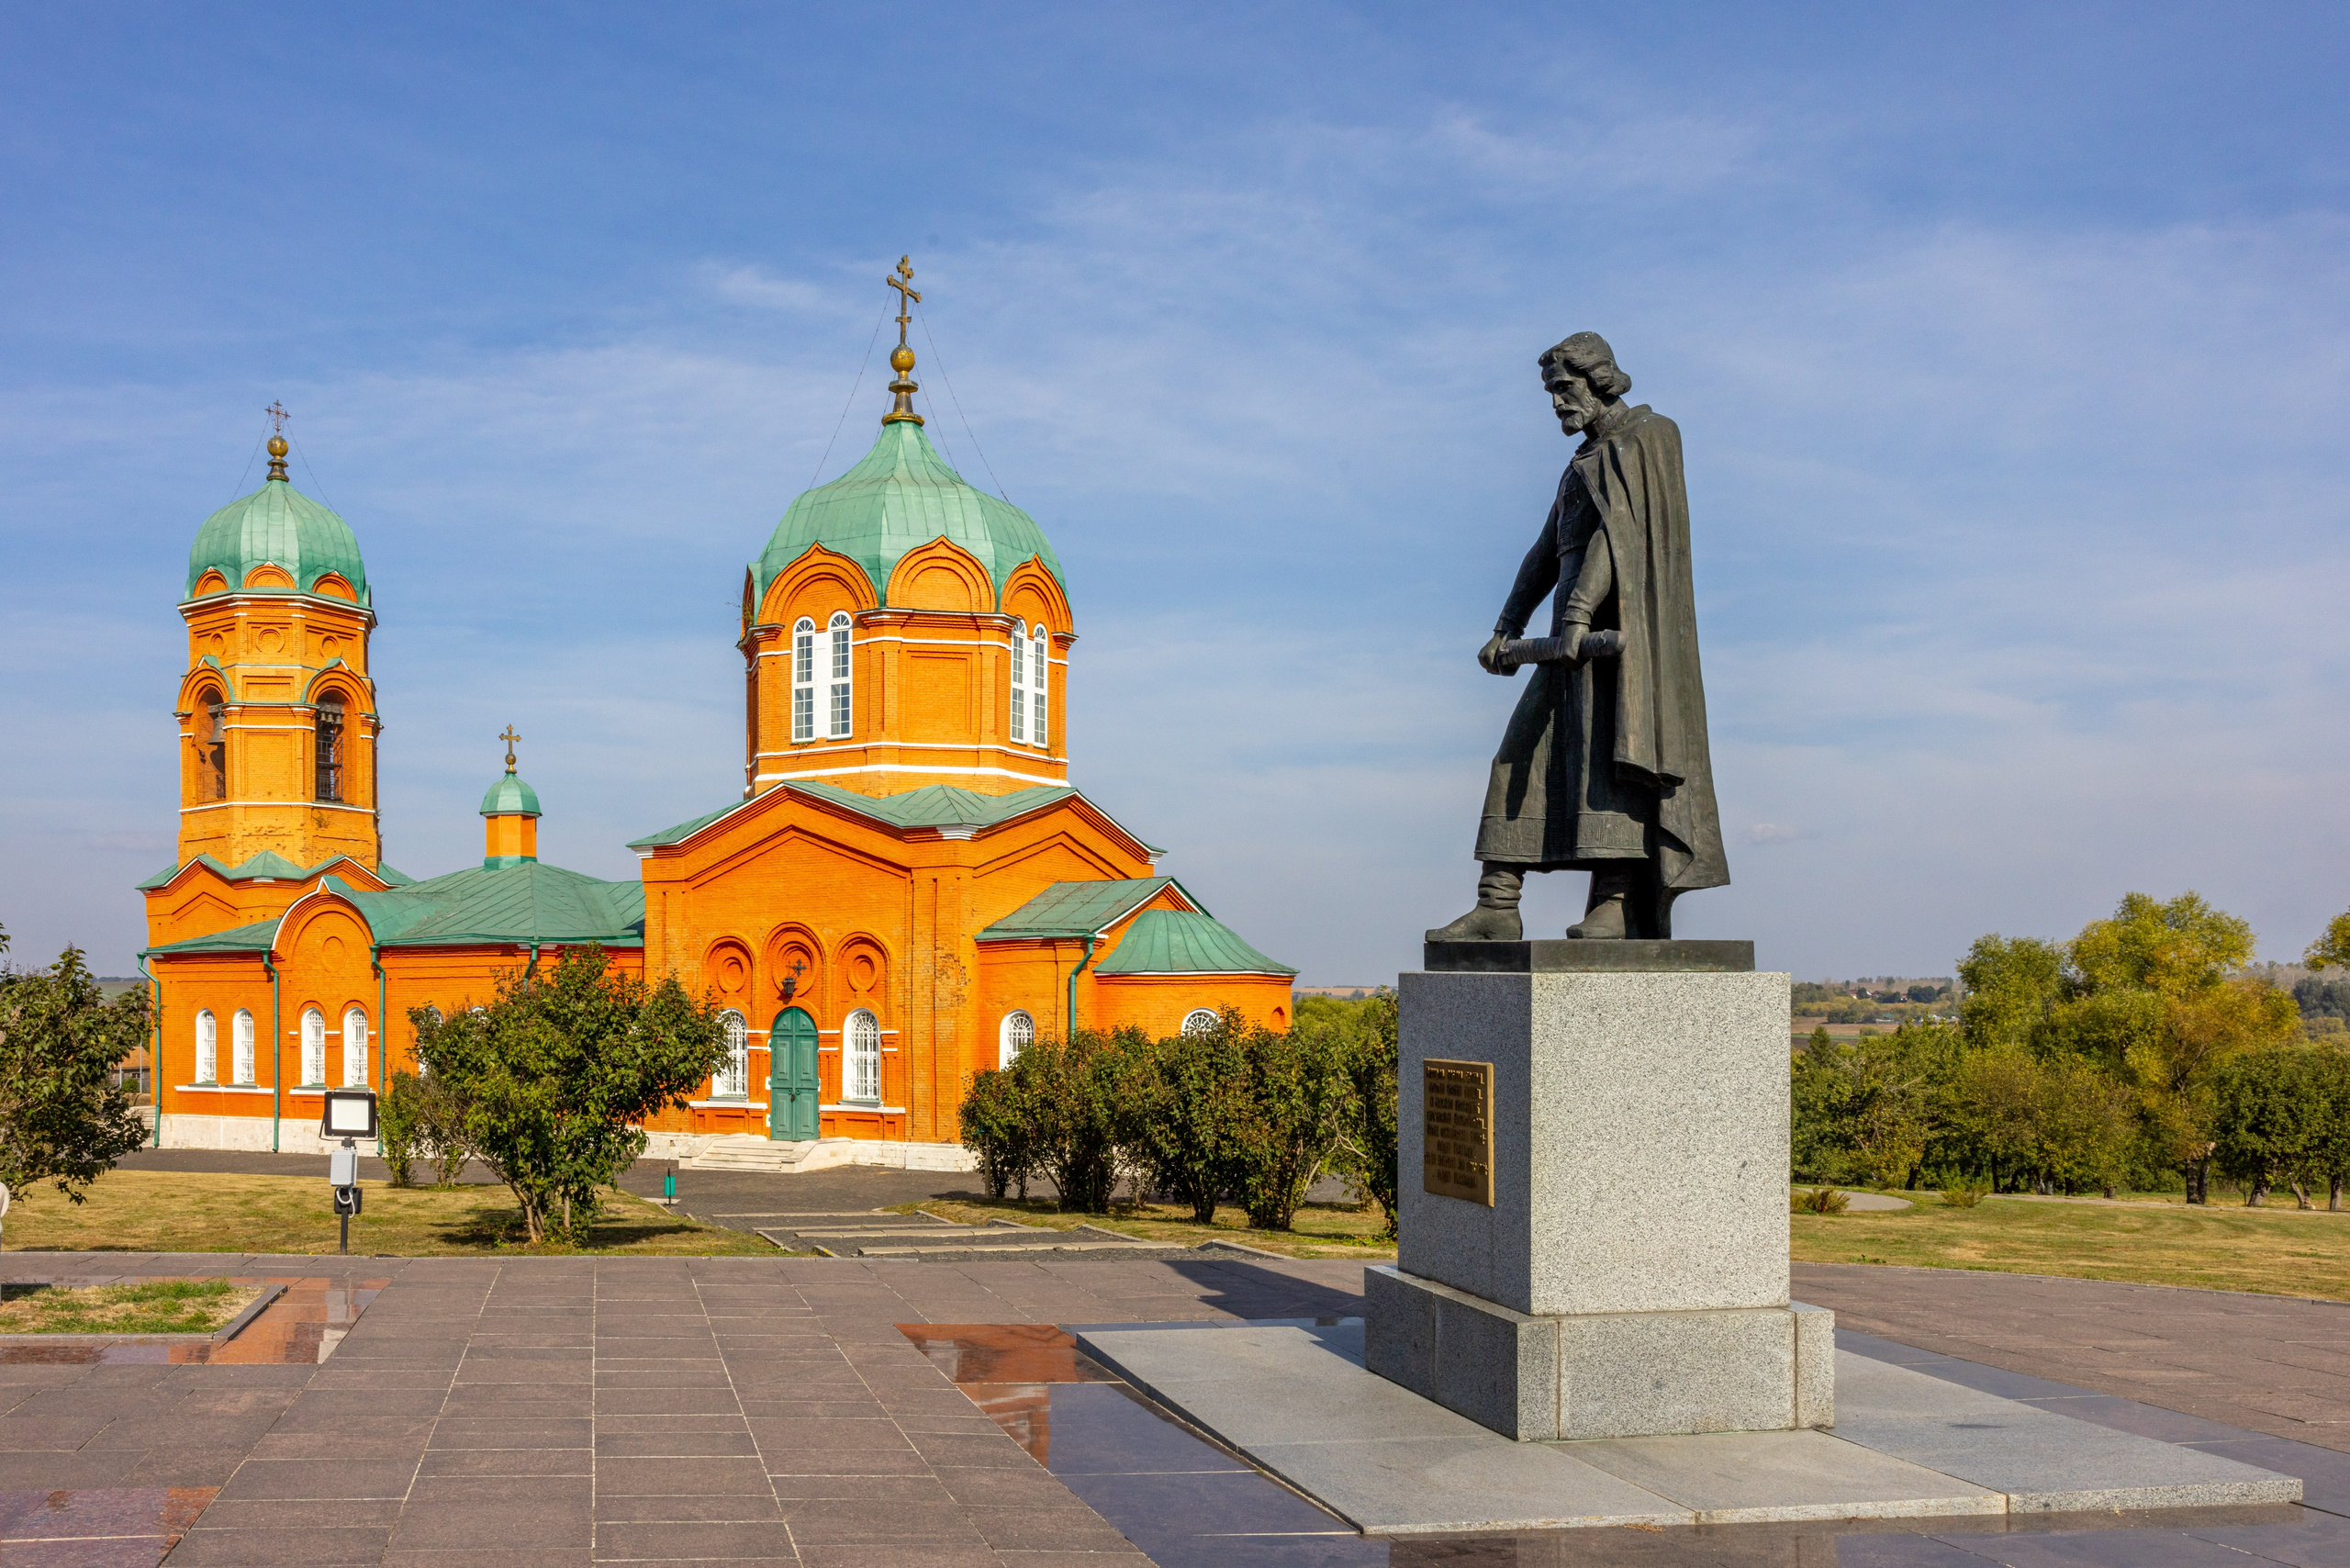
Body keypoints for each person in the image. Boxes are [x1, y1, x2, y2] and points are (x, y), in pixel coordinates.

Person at [1427, 332, 1728, 943]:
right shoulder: (1581, 460)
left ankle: (1616, 902)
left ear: (1599, 380)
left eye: (1565, 389)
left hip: (1624, 642)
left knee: (1615, 763)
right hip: (1574, 642)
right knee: (1520, 755)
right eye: (1552, 393)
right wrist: (1507, 626)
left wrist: (1578, 618)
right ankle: (1498, 903)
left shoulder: (1649, 436)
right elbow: (1548, 549)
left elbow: (1619, 537)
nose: (1558, 404)